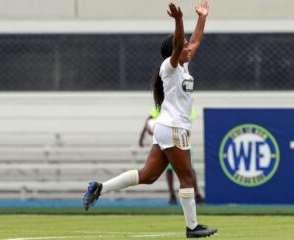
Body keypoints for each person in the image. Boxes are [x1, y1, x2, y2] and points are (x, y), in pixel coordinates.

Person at [83, 1, 217, 238]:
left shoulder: (183, 66)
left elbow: (195, 41)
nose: (188, 48)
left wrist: (202, 18)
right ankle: (192, 227)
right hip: (174, 128)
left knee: (148, 176)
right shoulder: (170, 66)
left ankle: (100, 188)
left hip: (167, 128)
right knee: (186, 177)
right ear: (174, 52)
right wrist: (178, 21)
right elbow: (179, 45)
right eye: (183, 47)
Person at [138, 106, 205, 205]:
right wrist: (142, 136)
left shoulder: (188, 106)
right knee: (170, 170)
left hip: (182, 142)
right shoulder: (164, 104)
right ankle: (173, 195)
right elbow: (150, 119)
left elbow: (187, 125)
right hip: (169, 141)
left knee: (189, 170)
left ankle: (196, 194)